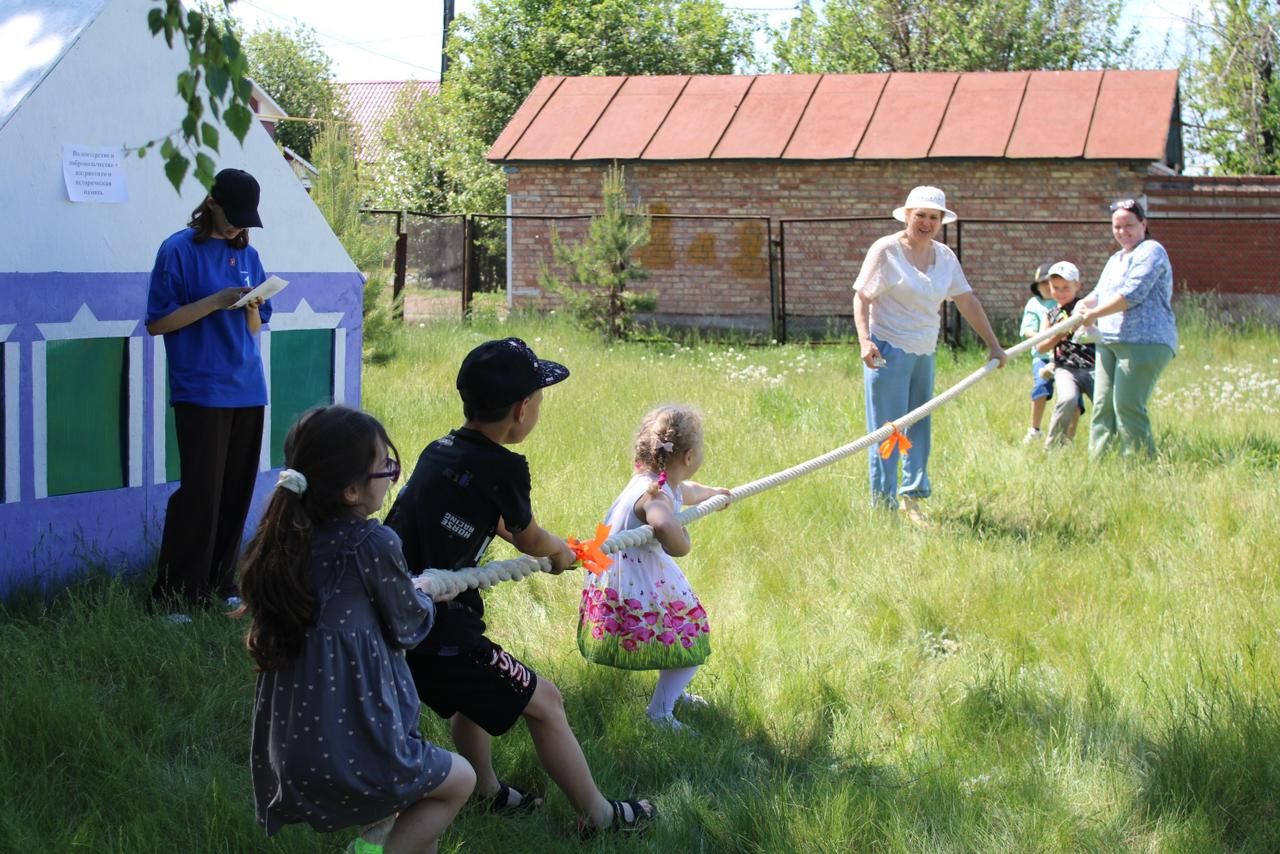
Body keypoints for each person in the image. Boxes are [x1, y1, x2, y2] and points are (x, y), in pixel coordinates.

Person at [385, 337, 657, 836]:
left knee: (474, 696)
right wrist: (557, 551)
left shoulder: (442, 450)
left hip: (403, 611)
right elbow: (529, 536)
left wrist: (552, 547)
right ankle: (599, 816)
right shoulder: (504, 466)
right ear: (521, 409)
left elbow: (498, 522)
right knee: (546, 702)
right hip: (431, 626)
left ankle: (485, 792)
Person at [237, 405, 474, 854]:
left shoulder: (286, 540)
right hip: (360, 746)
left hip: (295, 749)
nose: (390, 474)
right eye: (384, 466)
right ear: (350, 490)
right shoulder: (373, 543)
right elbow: (411, 625)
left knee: (421, 826)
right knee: (461, 780)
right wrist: (425, 593)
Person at [145, 168, 272, 613]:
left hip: (248, 388)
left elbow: (256, 327)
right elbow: (159, 322)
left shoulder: (247, 253)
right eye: (233, 216)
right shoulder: (177, 250)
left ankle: (220, 586)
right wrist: (216, 301)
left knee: (236, 492)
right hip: (200, 389)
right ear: (212, 203)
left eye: (245, 219)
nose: (238, 226)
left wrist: (251, 306)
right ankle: (176, 595)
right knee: (201, 493)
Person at [852, 186, 1007, 523]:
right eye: (919, 215)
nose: (926, 222)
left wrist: (993, 344)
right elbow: (862, 297)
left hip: (924, 350)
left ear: (941, 222)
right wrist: (865, 340)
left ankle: (913, 498)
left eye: (933, 217)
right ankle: (884, 505)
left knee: (920, 425)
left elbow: (967, 300)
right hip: (888, 350)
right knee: (888, 429)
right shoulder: (886, 250)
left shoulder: (945, 257)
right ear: (907, 216)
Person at [577, 405, 730, 732]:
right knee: (690, 640)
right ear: (688, 457)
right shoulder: (656, 495)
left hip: (619, 576)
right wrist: (683, 543)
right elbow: (662, 523)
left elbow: (685, 491)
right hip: (637, 581)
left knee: (676, 637)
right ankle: (659, 713)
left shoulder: (655, 481)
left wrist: (713, 494)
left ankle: (672, 693)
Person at [1074, 199, 1177, 458]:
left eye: (1129, 225)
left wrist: (1094, 314)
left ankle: (1139, 465)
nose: (1122, 232)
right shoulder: (1116, 259)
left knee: (1128, 406)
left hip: (1144, 341)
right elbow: (1099, 293)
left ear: (1143, 224)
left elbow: (1133, 293)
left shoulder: (1151, 251)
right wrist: (1083, 305)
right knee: (1102, 407)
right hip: (1108, 340)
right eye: (1117, 226)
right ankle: (1099, 464)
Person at [1035, 262, 1095, 448]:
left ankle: (1110, 443)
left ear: (1077, 285)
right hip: (1065, 369)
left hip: (1093, 366)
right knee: (1067, 400)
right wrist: (1060, 333)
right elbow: (1040, 347)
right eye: (1056, 288)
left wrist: (1085, 322)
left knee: (1104, 403)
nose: (1060, 292)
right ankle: (1052, 448)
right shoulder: (1051, 314)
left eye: (1066, 288)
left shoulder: (1085, 308)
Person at [1021, 262, 1059, 444]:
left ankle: (1065, 436)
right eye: (1042, 284)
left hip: (1064, 357)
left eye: (1050, 283)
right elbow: (1027, 331)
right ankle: (1034, 429)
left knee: (1072, 395)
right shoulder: (1034, 304)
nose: (1047, 287)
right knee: (1040, 388)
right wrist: (1045, 337)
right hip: (1042, 358)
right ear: (1037, 287)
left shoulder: (1064, 302)